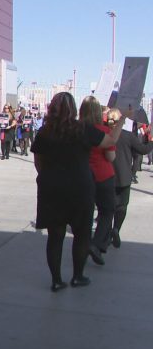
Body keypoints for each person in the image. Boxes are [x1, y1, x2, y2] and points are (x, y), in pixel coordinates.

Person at [31, 92, 123, 292]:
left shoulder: (44, 132)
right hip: (80, 189)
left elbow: (38, 162)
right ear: (73, 109)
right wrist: (122, 121)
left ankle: (56, 280)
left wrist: (50, 177)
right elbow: (109, 142)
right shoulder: (83, 129)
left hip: (52, 190)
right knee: (82, 235)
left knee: (55, 237)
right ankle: (77, 276)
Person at [79, 97, 116, 266]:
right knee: (107, 211)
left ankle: (84, 245)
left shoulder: (76, 130)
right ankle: (97, 244)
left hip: (83, 175)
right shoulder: (104, 131)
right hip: (103, 176)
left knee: (85, 213)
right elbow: (110, 156)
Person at [110, 111, 153, 249]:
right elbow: (142, 150)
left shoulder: (104, 134)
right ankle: (116, 228)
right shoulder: (128, 136)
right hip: (123, 177)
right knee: (122, 206)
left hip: (106, 177)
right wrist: (151, 141)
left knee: (107, 208)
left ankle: (104, 233)